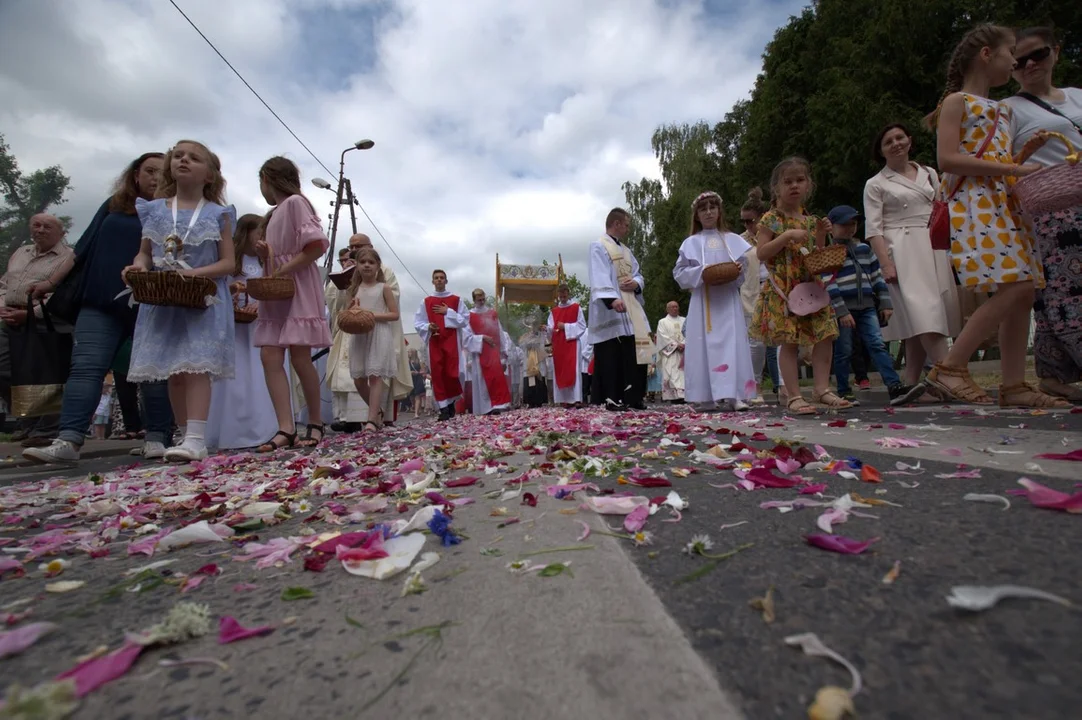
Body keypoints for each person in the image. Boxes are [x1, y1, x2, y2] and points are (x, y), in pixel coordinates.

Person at [923, 24, 1068, 408]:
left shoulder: (1001, 110)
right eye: (1011, 55)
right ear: (987, 55)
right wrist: (1014, 170)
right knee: (1017, 286)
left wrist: (1019, 159)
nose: (1016, 63)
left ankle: (1014, 383)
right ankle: (951, 366)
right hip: (977, 204)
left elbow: (994, 161)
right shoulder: (958, 102)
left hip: (1003, 202)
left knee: (1022, 292)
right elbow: (948, 159)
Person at [23, 154, 175, 465]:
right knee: (86, 367)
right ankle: (68, 439)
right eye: (149, 171)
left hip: (150, 304)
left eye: (163, 173)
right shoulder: (113, 206)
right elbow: (81, 250)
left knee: (153, 374)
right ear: (135, 175)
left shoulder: (174, 212)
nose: (155, 178)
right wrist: (49, 283)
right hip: (100, 300)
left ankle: (158, 437)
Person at [119, 140, 237, 462]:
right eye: (179, 156)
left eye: (194, 158)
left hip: (202, 300)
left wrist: (194, 275)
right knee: (174, 369)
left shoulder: (219, 214)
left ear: (209, 175)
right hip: (163, 299)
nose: (183, 160)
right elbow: (145, 254)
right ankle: (184, 436)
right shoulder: (154, 210)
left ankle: (197, 437)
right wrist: (138, 268)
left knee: (197, 365)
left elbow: (228, 264)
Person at [1004, 26, 1082, 403]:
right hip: (1050, 208)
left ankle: (1052, 374)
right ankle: (1055, 370)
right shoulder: (1010, 110)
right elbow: (1003, 163)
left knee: (1054, 294)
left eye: (1039, 55)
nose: (1030, 64)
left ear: (1056, 51)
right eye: (1020, 60)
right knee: (1067, 291)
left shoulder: (1078, 97)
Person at [864, 123, 961, 395]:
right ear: (881, 151)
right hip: (902, 247)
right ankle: (948, 372)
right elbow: (874, 229)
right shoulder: (876, 184)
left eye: (899, 137)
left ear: (909, 140)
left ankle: (910, 382)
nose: (896, 143)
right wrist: (885, 263)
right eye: (888, 141)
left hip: (933, 244)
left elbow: (943, 209)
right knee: (922, 311)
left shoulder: (929, 174)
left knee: (924, 314)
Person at [751, 157, 851, 415]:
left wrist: (820, 233)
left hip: (810, 286)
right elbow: (761, 253)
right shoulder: (771, 219)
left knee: (826, 333)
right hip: (784, 287)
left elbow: (816, 255)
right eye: (788, 181)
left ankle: (821, 388)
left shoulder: (810, 219)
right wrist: (784, 237)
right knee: (790, 340)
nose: (794, 186)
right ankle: (794, 395)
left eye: (800, 180)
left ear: (809, 185)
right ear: (776, 188)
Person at [252, 157, 333, 451]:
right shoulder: (273, 214)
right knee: (270, 356)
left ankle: (314, 421)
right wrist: (267, 254)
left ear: (267, 179)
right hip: (278, 287)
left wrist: (284, 268)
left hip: (295, 284)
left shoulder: (296, 203)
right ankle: (285, 426)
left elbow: (315, 246)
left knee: (300, 356)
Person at [824, 205, 923, 406]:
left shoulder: (863, 249)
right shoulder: (829, 253)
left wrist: (885, 302)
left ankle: (894, 386)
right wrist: (841, 310)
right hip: (844, 308)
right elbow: (829, 282)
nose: (849, 229)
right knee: (844, 350)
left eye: (853, 224)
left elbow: (876, 276)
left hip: (867, 305)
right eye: (843, 225)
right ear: (832, 227)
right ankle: (843, 390)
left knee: (876, 344)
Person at [674, 190, 756, 411]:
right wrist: (702, 272)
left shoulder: (732, 240)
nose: (709, 212)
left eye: (713, 207)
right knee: (701, 346)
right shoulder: (690, 242)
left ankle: (735, 394)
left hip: (728, 300)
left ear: (720, 211)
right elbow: (680, 274)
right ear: (697, 215)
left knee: (733, 343)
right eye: (703, 209)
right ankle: (704, 396)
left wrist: (737, 271)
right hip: (703, 302)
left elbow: (742, 274)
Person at [0, 213, 74, 447]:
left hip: (44, 320)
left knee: (45, 374)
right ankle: (28, 419)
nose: (40, 230)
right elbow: (5, 283)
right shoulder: (21, 252)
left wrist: (30, 314)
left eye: (47, 226)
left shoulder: (69, 258)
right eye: (36, 225)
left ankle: (43, 428)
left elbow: (62, 294)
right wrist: (3, 307)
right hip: (9, 317)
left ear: (61, 233)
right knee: (5, 370)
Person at [206, 214, 279, 450]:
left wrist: (261, 302)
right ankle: (229, 427)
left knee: (258, 373)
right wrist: (233, 291)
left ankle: (261, 426)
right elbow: (218, 288)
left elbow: (273, 285)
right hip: (235, 324)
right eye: (258, 232)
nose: (261, 238)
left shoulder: (265, 261)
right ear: (246, 232)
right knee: (233, 377)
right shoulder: (232, 261)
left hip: (259, 323)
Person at [343, 233, 412, 425]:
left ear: (377, 266)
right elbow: (348, 311)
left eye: (370, 262)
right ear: (357, 265)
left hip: (379, 333)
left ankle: (371, 419)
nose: (366, 265)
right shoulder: (353, 289)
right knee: (358, 379)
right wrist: (353, 311)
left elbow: (394, 314)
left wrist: (370, 315)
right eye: (362, 261)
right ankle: (378, 411)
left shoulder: (384, 288)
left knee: (375, 377)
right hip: (360, 335)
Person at [588, 208, 651, 410]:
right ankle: (612, 398)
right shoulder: (598, 246)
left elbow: (638, 274)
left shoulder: (626, 251)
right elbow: (598, 274)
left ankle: (633, 396)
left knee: (632, 351)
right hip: (612, 309)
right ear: (616, 224)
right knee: (611, 354)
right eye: (626, 224)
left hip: (631, 309)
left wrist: (637, 283)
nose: (627, 228)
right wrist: (611, 299)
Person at [738, 188, 778, 403]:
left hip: (775, 289)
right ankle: (755, 387)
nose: (746, 226)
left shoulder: (775, 233)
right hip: (750, 293)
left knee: (781, 339)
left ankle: (784, 387)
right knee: (756, 343)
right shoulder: (739, 241)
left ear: (762, 218)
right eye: (743, 222)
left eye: (749, 221)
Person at [413, 269, 467, 421]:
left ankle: (450, 403)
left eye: (442, 278)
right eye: (436, 278)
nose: (439, 280)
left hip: (452, 342)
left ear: (446, 281)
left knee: (452, 373)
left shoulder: (456, 300)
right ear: (432, 281)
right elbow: (419, 322)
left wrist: (448, 312)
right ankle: (443, 408)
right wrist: (428, 327)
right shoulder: (426, 301)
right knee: (438, 374)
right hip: (435, 342)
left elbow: (464, 320)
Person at [325, 240, 366, 432]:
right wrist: (342, 287)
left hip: (360, 329)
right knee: (339, 376)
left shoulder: (366, 275)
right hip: (342, 331)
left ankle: (357, 416)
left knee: (354, 375)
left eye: (347, 260)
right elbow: (332, 303)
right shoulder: (335, 282)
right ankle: (340, 416)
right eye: (342, 261)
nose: (344, 263)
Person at [462, 288, 512, 415]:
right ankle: (485, 408)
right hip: (479, 354)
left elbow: (500, 333)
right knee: (483, 381)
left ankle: (496, 406)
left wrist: (503, 353)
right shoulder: (469, 316)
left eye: (483, 299)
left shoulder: (492, 314)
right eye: (479, 300)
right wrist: (482, 338)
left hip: (494, 353)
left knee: (495, 380)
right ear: (474, 300)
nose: (482, 301)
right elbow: (466, 338)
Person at [546, 283, 587, 406]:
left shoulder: (576, 308)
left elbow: (582, 326)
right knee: (561, 372)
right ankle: (565, 400)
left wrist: (566, 326)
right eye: (560, 295)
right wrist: (546, 329)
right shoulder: (554, 311)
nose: (562, 297)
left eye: (564, 295)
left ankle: (575, 399)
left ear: (568, 294)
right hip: (559, 346)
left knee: (574, 371)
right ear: (558, 295)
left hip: (572, 344)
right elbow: (551, 328)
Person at [655, 301, 686, 403]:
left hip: (684, 352)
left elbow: (689, 332)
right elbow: (662, 337)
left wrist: (684, 344)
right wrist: (676, 345)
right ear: (667, 309)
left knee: (683, 374)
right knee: (672, 373)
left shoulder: (684, 320)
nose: (675, 308)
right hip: (671, 353)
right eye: (672, 307)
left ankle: (684, 395)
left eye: (676, 306)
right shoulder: (662, 322)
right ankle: (674, 397)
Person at [92, 375, 114, 440]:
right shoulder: (97, 396)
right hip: (98, 412)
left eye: (106, 388)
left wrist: (110, 413)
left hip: (105, 413)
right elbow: (94, 405)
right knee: (98, 425)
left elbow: (110, 404)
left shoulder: (108, 396)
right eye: (104, 388)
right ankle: (98, 436)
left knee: (103, 425)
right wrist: (94, 413)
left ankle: (102, 436)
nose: (105, 389)